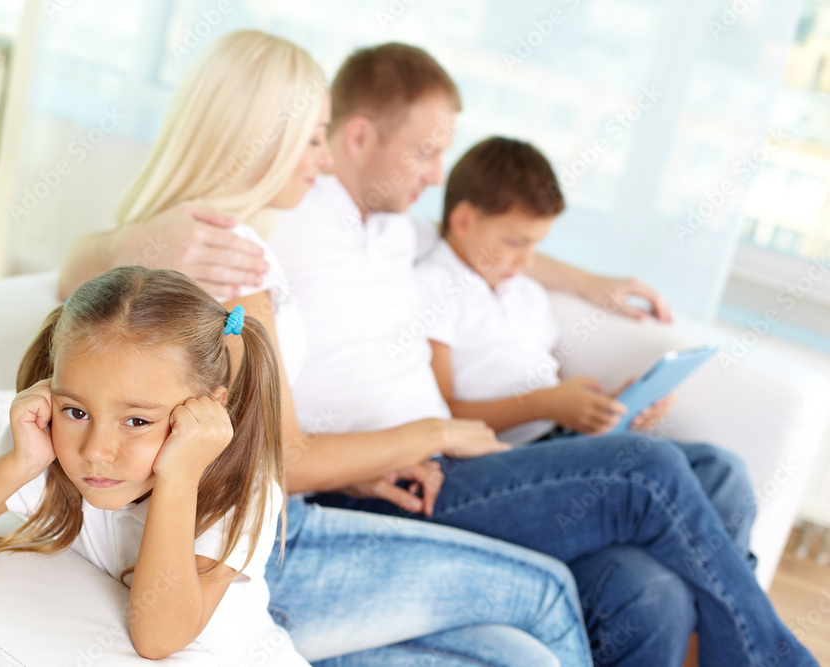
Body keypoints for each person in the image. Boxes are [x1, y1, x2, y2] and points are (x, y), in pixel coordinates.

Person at [0, 30, 599, 666]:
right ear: (264, 143)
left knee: (517, 655)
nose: (327, 158)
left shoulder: (173, 241)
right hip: (278, 539)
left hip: (270, 530)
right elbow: (281, 459)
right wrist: (435, 432)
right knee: (547, 593)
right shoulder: (234, 265)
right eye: (314, 138)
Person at [260, 43, 815, 667]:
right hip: (387, 487)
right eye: (424, 152)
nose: (437, 175)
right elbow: (194, 221)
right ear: (360, 137)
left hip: (458, 460)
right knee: (649, 469)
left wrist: (590, 283)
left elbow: (486, 241)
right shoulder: (284, 219)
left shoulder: (394, 227)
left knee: (654, 578)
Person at [415, 136, 759, 665]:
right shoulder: (432, 287)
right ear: (462, 220)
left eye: (536, 244)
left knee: (723, 471)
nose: (527, 259)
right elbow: (444, 413)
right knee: (653, 583)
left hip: (562, 439)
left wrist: (608, 408)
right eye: (514, 241)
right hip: (501, 459)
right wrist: (548, 404)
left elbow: (548, 380)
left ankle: (722, 640)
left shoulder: (523, 290)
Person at [0, 266, 308, 663]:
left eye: (137, 421)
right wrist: (21, 462)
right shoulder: (47, 447)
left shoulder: (243, 490)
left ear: (207, 412)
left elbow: (159, 639)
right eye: (76, 412)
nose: (96, 451)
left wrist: (179, 477)